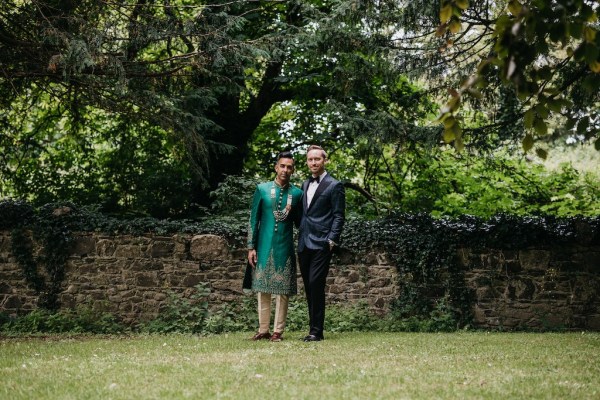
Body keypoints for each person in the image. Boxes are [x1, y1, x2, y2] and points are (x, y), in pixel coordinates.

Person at [245, 151, 303, 342]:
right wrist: (250, 247)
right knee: (263, 289)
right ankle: (263, 330)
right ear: (276, 167)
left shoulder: (297, 194)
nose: (285, 170)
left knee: (283, 291)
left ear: (292, 170)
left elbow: (301, 223)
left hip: (285, 246)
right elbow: (254, 220)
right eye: (282, 166)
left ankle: (278, 331)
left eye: (289, 167)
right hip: (263, 245)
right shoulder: (261, 189)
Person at [297, 145, 345, 342]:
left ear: (324, 161)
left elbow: (339, 216)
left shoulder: (335, 185)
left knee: (316, 283)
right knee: (309, 286)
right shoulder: (304, 184)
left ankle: (317, 331)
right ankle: (313, 329)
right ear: (307, 162)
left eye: (317, 159)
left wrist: (332, 240)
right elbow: (304, 214)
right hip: (304, 242)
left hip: (323, 243)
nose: (313, 163)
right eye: (310, 160)